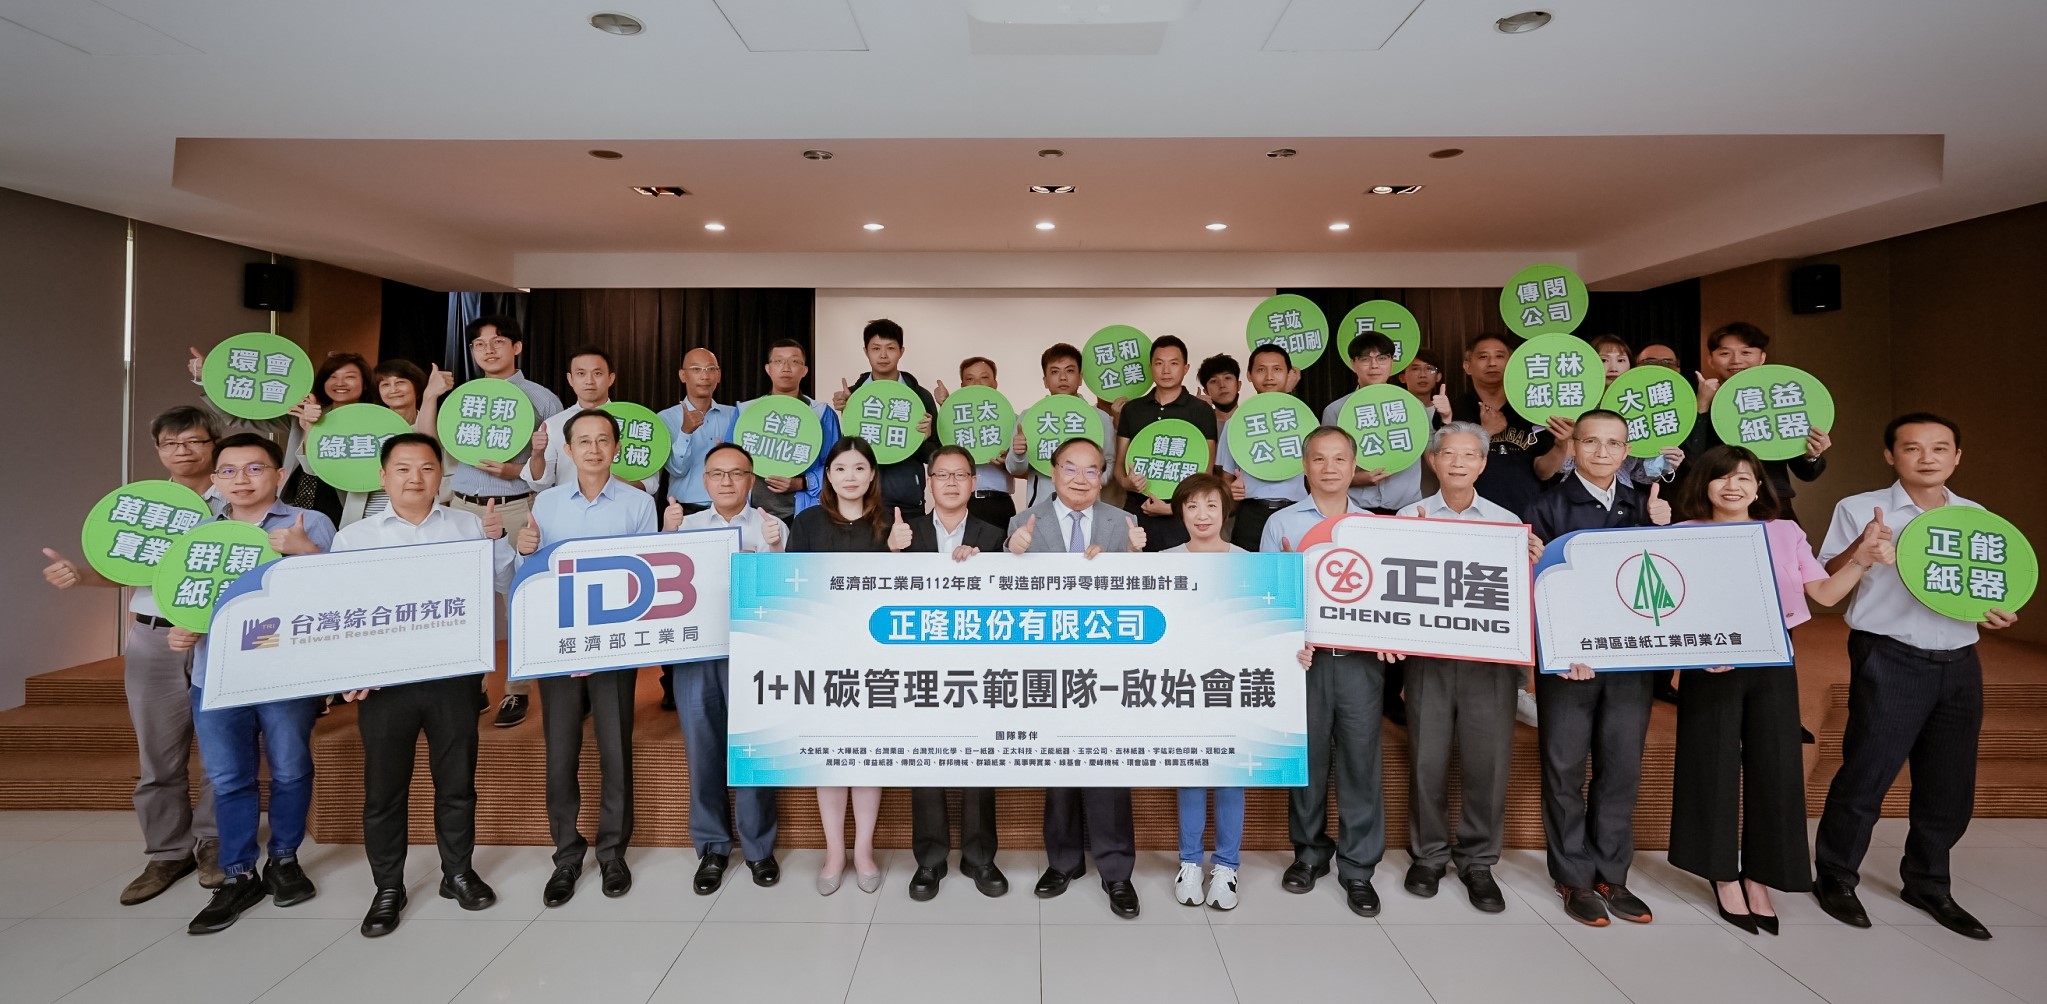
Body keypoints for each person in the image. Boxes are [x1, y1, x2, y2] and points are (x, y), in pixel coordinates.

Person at [1813, 413, 2015, 941]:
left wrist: (1997, 611)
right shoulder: (1860, 508)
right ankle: (1835, 876)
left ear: (1957, 457)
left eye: (1940, 448)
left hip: (1960, 658)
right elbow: (1824, 577)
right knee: (1868, 772)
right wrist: (1862, 551)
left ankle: (1928, 882)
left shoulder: (1975, 516)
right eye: (1912, 448)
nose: (1927, 458)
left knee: (1950, 782)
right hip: (1889, 654)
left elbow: (1983, 586)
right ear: (1890, 455)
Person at [1667, 444, 1883, 936]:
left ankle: (1760, 876)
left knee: (1776, 766)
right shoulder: (1682, 534)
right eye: (1722, 477)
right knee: (1710, 766)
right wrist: (1692, 654)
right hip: (1709, 664)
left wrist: (1862, 560)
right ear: (1704, 486)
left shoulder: (1784, 532)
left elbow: (1823, 592)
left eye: (1745, 477)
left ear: (1759, 488)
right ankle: (1722, 875)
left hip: (1772, 660)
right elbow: (1667, 609)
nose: (1733, 486)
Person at [38, 406, 224, 903]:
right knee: (158, 754)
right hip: (153, 637)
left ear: (213, 444)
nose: (183, 450)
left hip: (220, 637)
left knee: (222, 751)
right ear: (158, 450)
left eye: (194, 440)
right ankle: (168, 852)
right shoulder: (143, 506)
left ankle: (215, 843)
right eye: (171, 443)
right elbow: (121, 569)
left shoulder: (237, 496)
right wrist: (80, 575)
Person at [331, 433, 513, 937]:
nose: (416, 478)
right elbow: (339, 611)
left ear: (441, 476)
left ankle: (457, 872)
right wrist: (348, 672)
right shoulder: (354, 538)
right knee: (384, 790)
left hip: (452, 676)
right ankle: (388, 886)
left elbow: (501, 584)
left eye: (427, 468)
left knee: (456, 783)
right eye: (404, 468)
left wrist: (497, 541)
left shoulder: (467, 526)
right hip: (384, 684)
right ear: (383, 476)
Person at [171, 433, 336, 934]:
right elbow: (184, 596)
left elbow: (339, 597)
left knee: (290, 768)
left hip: (286, 671)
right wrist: (182, 628)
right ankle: (238, 873)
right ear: (215, 479)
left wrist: (306, 553)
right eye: (228, 471)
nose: (240, 480)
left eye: (254, 468)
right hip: (216, 673)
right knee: (228, 777)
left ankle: (284, 859)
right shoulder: (199, 532)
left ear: (279, 474)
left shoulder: (310, 522)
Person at [1523, 409, 1672, 927]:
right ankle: (1572, 876)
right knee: (1564, 768)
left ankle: (1612, 874)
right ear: (1573, 447)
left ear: (1627, 451)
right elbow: (1537, 586)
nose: (1602, 452)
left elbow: (1665, 582)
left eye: (1613, 443)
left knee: (1621, 768)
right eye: (1591, 442)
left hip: (1630, 661)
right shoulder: (1545, 506)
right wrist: (1560, 650)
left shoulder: (1647, 504)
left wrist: (1665, 530)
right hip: (1570, 663)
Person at [1398, 422, 1544, 914]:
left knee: (1488, 763)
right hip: (1429, 660)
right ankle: (1429, 856)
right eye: (1448, 454)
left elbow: (1519, 599)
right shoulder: (1409, 517)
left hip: (1489, 663)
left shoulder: (1507, 523)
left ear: (1482, 464)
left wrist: (1532, 561)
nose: (1458, 463)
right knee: (1427, 761)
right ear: (1432, 461)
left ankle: (1479, 861)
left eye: (1469, 455)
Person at [516, 408, 654, 908]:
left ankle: (613, 852)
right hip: (558, 646)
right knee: (561, 752)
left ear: (616, 448)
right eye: (584, 441)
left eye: (603, 441)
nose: (594, 449)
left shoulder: (639, 504)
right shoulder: (546, 503)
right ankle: (567, 855)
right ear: (567, 449)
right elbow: (533, 576)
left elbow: (648, 575)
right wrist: (522, 549)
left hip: (616, 644)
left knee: (615, 750)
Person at [1008, 437, 1146, 918]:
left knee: (1108, 764)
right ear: (1053, 471)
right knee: (1058, 765)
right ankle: (1062, 862)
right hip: (1047, 664)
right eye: (1071, 468)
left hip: (1107, 665)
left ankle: (1116, 871)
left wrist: (1137, 558)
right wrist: (1010, 551)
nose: (1081, 479)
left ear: (1103, 477)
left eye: (1092, 470)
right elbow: (1003, 595)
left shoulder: (1123, 523)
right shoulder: (1023, 522)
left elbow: (1143, 598)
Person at [1263, 426, 1384, 917]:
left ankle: (1358, 868)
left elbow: (1389, 598)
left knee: (1360, 763)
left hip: (1360, 663)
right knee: (1307, 762)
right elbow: (1268, 595)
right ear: (1305, 466)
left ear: (1354, 467)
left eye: (1339, 459)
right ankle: (1309, 854)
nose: (1329, 468)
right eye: (1319, 458)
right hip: (1305, 663)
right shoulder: (1281, 523)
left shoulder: (1376, 527)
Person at [659, 442, 787, 895]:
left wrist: (774, 550)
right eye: (717, 474)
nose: (727, 482)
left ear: (751, 480)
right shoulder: (685, 526)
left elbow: (783, 594)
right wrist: (667, 537)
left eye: (737, 473)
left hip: (753, 653)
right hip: (698, 655)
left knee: (753, 751)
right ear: (705, 481)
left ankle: (758, 848)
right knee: (703, 749)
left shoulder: (772, 526)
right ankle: (713, 847)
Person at [789, 437, 910, 894]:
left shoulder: (892, 524)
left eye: (860, 468)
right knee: (831, 757)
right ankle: (834, 852)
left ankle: (863, 851)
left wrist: (898, 554)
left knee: (866, 756)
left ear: (872, 474)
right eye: (841, 468)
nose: (851, 476)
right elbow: (793, 589)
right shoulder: (807, 522)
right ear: (829, 475)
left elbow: (908, 596)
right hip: (823, 660)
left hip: (877, 660)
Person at [444, 315, 565, 729]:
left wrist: (515, 471)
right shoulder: (462, 398)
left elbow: (554, 467)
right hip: (462, 508)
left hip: (516, 507)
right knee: (465, 600)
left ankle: (517, 689)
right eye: (479, 344)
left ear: (517, 347)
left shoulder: (543, 399)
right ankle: (472, 684)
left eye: (498, 342)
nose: (488, 350)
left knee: (518, 600)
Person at [904, 446, 1010, 902]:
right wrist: (891, 553)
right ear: (929, 482)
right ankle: (929, 858)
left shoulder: (996, 535)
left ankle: (979, 856)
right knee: (926, 757)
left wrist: (984, 565)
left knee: (979, 757)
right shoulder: (903, 533)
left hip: (978, 665)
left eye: (960, 475)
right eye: (942, 475)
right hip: (919, 663)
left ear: (973, 483)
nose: (950, 483)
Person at [1321, 332, 1430, 725]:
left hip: (1403, 515)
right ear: (1353, 364)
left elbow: (1436, 456)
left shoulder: (1415, 408)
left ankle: (1395, 693)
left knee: (1401, 602)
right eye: (1365, 358)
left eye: (1381, 357)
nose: (1373, 365)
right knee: (1360, 599)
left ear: (1392, 363)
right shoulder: (1336, 410)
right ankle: (1364, 692)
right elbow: (1326, 464)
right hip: (1357, 517)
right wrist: (1358, 478)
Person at [1163, 473, 1247, 910]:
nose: (1202, 515)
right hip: (1183, 688)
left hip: (1233, 688)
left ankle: (1227, 867)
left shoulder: (1247, 562)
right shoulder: (1163, 563)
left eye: (1211, 505)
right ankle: (1190, 863)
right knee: (1192, 776)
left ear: (1225, 511)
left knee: (1231, 778)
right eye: (1192, 505)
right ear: (1180, 512)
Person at [1680, 322, 1829, 523]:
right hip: (1715, 507)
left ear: (1762, 358)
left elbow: (1806, 473)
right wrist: (1702, 406)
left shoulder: (1780, 400)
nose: (1736, 360)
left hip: (1774, 504)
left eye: (1746, 352)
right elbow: (1690, 461)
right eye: (1725, 353)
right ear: (1711, 360)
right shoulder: (1699, 401)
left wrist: (1812, 455)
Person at [1449, 334, 1571, 520]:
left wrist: (1561, 444)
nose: (1492, 363)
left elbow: (1544, 473)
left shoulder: (1533, 409)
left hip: (1525, 514)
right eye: (1483, 357)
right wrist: (1485, 432)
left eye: (1499, 356)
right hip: (1468, 515)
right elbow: (1446, 468)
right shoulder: (1455, 409)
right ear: (1467, 366)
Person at [1117, 334, 1218, 552]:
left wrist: (1173, 508)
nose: (1166, 370)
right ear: (1150, 367)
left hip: (1181, 516)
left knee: (1180, 571)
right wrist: (1126, 483)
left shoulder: (1201, 411)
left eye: (1173, 363)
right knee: (1133, 570)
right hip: (1136, 511)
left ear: (1185, 368)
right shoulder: (1132, 410)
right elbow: (1119, 467)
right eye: (1159, 363)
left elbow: (1206, 474)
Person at [830, 319, 938, 519]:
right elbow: (842, 451)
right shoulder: (851, 397)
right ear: (866, 351)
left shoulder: (920, 397)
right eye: (876, 348)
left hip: (906, 499)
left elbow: (934, 456)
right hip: (860, 498)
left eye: (890, 348)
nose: (883, 355)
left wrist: (922, 441)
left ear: (901, 351)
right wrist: (845, 410)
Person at [1006, 343, 1121, 511]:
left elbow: (1109, 462)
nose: (1062, 378)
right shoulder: (1028, 417)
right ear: (1045, 381)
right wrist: (1018, 453)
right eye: (1054, 372)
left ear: (1080, 378)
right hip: (1041, 510)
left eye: (1070, 371)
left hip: (1087, 509)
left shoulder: (1100, 418)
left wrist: (1087, 480)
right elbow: (1014, 469)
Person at [1216, 344, 1308, 552]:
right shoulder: (1236, 422)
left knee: (1295, 570)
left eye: (1277, 369)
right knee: (1248, 571)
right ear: (1249, 375)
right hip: (1251, 514)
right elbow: (1226, 479)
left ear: (1289, 374)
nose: (1269, 377)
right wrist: (1232, 491)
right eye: (1260, 370)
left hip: (1297, 511)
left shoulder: (1305, 418)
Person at [738, 338, 840, 521]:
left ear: (805, 370)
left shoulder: (821, 413)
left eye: (794, 361)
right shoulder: (745, 411)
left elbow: (836, 464)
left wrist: (802, 482)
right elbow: (733, 461)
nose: (786, 368)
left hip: (805, 511)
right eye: (778, 361)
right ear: (768, 368)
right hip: (754, 513)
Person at [528, 345, 634, 492]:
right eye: (581, 373)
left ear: (611, 378)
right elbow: (539, 483)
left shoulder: (633, 423)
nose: (589, 381)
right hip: (568, 504)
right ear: (570, 379)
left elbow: (648, 483)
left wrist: (614, 485)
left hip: (622, 504)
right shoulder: (553, 425)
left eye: (597, 373)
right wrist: (537, 454)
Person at [935, 356, 1019, 532]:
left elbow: (1024, 466)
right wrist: (946, 406)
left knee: (1001, 549)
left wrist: (1008, 462)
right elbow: (941, 455)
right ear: (962, 386)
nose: (977, 383)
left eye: (984, 377)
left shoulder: (1012, 420)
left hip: (998, 503)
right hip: (961, 503)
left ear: (995, 384)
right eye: (970, 379)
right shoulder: (952, 421)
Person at [659, 347, 737, 515]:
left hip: (731, 508)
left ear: (718, 375)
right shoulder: (665, 418)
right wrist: (685, 432)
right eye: (696, 369)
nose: (705, 376)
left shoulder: (734, 415)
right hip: (686, 510)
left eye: (711, 369)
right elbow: (677, 470)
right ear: (683, 375)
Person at [1198, 352, 1242, 424]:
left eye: (1227, 378)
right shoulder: (1199, 422)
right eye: (1214, 381)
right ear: (1206, 391)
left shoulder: (1253, 416)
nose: (1222, 385)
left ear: (1239, 385)